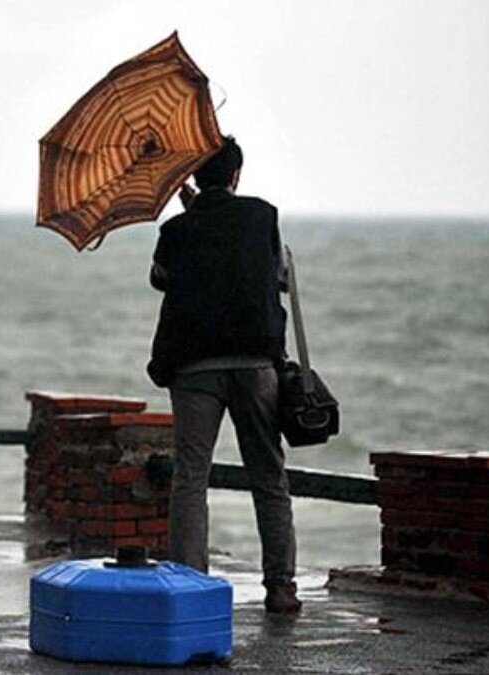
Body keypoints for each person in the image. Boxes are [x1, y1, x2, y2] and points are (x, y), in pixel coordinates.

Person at [146, 136, 301, 614]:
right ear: (235, 175)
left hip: (194, 368)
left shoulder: (177, 229)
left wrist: (192, 218)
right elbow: (278, 278)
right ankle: (281, 587)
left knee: (190, 479)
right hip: (255, 365)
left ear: (193, 176)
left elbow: (160, 278)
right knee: (269, 477)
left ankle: (190, 585)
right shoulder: (262, 216)